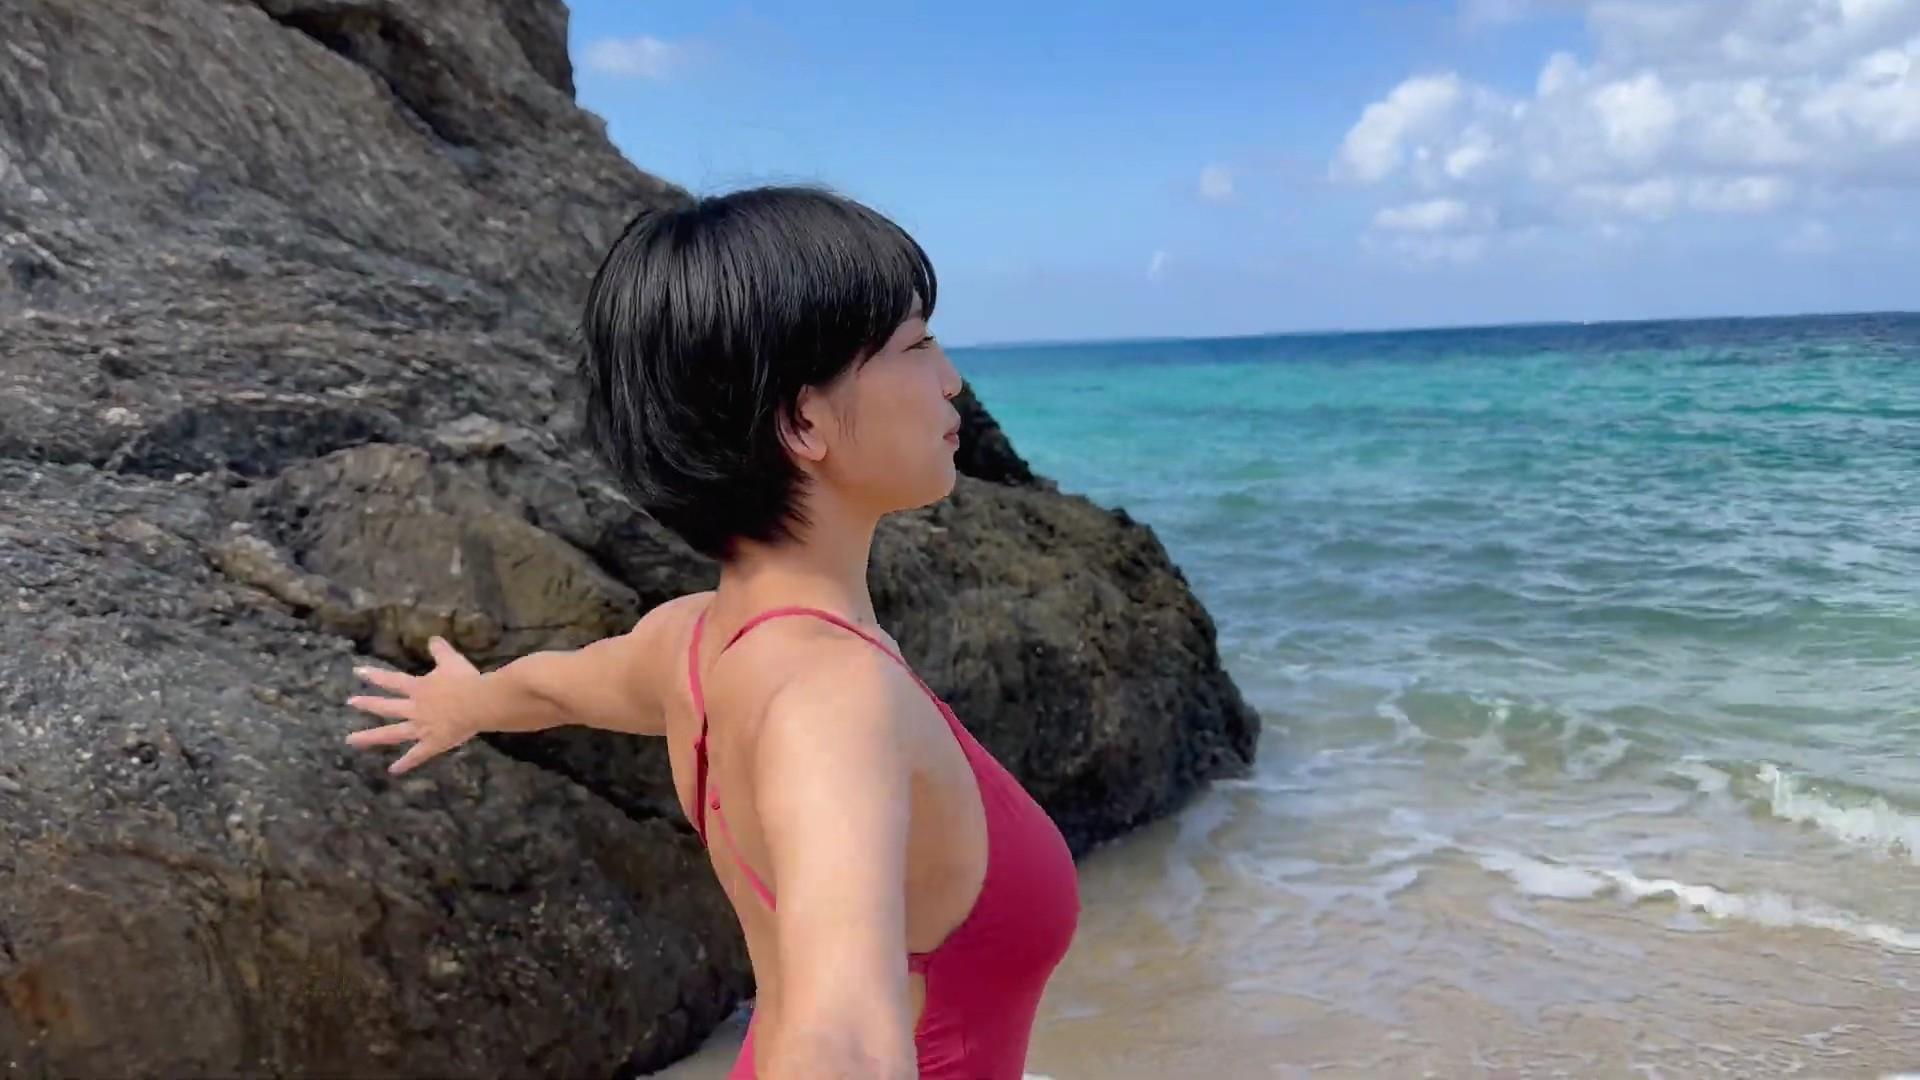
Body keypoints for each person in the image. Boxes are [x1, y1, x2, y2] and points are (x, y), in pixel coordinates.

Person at [341, 186, 1081, 1079]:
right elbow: (843, 1035)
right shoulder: (834, 701)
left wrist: (467, 703)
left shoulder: (690, 643)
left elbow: (553, 686)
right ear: (803, 421)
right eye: (916, 345)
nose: (952, 379)